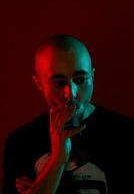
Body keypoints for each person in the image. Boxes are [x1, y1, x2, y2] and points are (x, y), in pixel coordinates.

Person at [2, 34, 134, 194]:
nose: (70, 93)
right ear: (39, 84)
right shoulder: (21, 142)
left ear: (92, 76)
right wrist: (58, 158)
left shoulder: (126, 134)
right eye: (59, 83)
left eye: (80, 80)